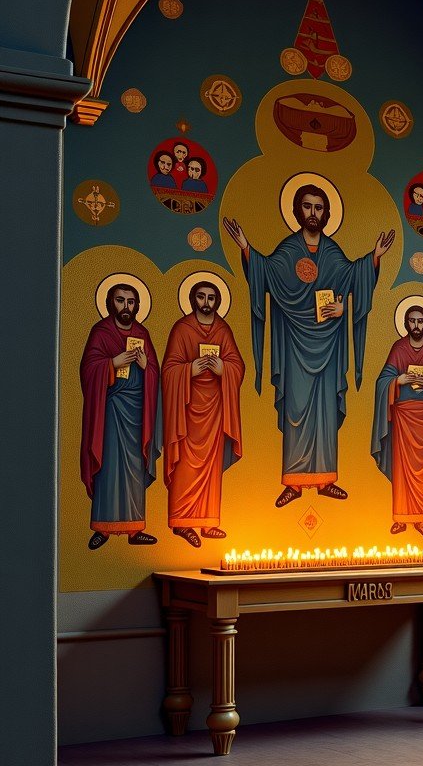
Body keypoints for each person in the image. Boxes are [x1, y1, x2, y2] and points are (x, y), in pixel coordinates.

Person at [223, 183, 394, 506]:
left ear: (327, 213)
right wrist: (247, 248)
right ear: (297, 211)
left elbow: (353, 278)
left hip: (328, 348)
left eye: (319, 207)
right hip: (294, 345)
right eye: (307, 206)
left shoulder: (331, 252)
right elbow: (267, 272)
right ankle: (294, 481)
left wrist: (372, 260)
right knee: (296, 411)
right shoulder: (289, 250)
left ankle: (326, 478)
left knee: (326, 413)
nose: (313, 213)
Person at [162, 280, 244, 547]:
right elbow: (168, 370)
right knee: (186, 464)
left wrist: (223, 369)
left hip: (215, 410)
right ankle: (181, 521)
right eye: (201, 297)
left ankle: (208, 522)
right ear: (192, 299)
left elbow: (237, 365)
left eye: (211, 298)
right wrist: (190, 370)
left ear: (217, 301)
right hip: (187, 411)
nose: (206, 302)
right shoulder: (181, 329)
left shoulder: (222, 329)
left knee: (211, 466)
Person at [80, 283, 161, 548]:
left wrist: (145, 366)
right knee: (109, 468)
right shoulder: (101, 332)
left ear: (137, 305)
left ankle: (135, 529)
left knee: (135, 470)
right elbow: (88, 370)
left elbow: (154, 373)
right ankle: (102, 528)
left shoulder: (142, 333)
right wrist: (113, 363)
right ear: (110, 302)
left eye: (130, 301)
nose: (125, 307)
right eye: (120, 300)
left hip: (138, 412)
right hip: (111, 411)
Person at [371, 305, 423, 538]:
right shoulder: (398, 348)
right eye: (412, 321)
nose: (416, 325)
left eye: (420, 321)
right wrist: (398, 380)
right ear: (406, 323)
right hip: (404, 419)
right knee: (403, 470)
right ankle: (402, 516)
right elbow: (382, 380)